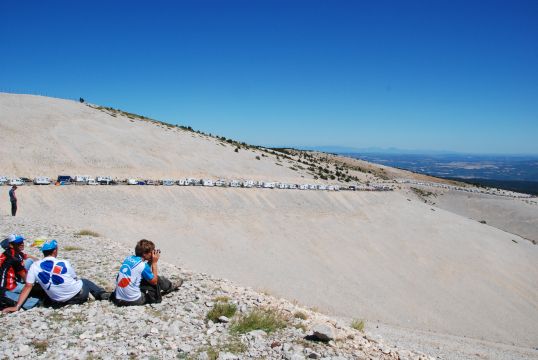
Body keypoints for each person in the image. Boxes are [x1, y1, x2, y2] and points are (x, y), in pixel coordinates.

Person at [2, 239, 110, 313]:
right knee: (84, 281)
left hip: (58, 302)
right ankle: (101, 294)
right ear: (55, 251)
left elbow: (27, 286)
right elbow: (74, 278)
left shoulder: (34, 267)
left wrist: (17, 306)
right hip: (79, 296)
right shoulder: (63, 263)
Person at [111, 239, 181, 306]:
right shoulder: (142, 265)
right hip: (132, 300)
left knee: (146, 278)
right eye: (151, 252)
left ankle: (169, 286)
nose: (153, 254)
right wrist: (154, 263)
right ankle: (170, 286)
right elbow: (154, 281)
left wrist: (150, 261)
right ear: (144, 254)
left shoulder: (129, 258)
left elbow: (142, 271)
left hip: (118, 297)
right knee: (158, 279)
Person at [0, 234, 41, 310]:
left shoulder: (10, 252)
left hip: (9, 279)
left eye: (22, 242)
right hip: (8, 287)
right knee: (36, 296)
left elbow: (27, 256)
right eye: (19, 243)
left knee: (30, 261)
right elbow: (26, 280)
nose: (22, 244)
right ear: (11, 245)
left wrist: (40, 261)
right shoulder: (14, 259)